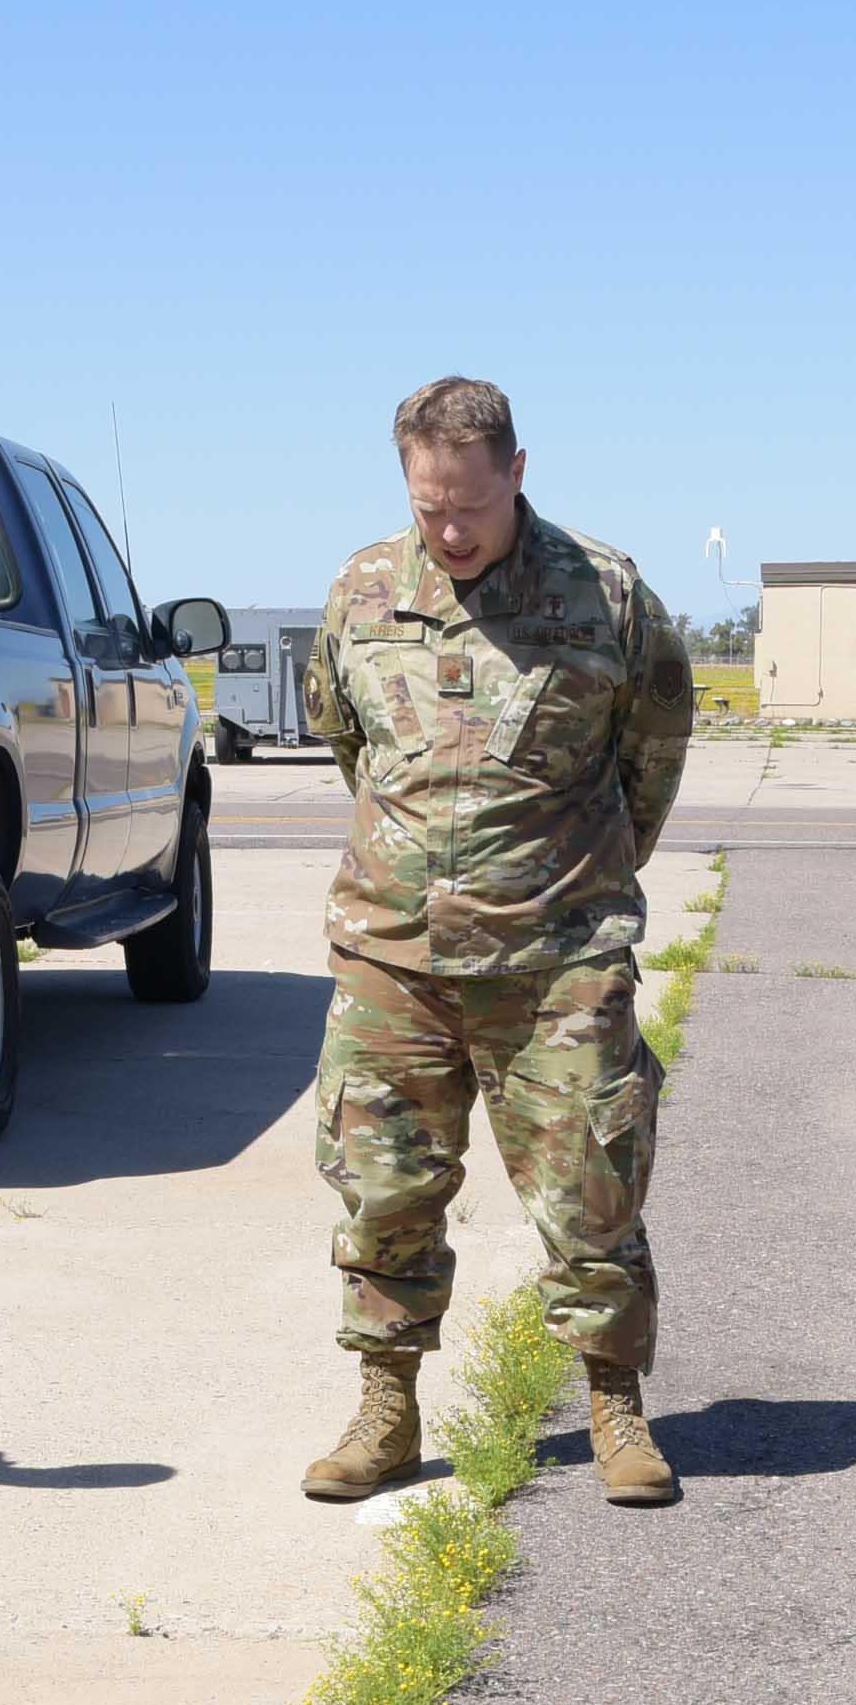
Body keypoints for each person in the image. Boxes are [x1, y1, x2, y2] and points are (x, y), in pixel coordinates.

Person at [296, 377, 700, 1510]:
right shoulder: (361, 590)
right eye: (431, 508)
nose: (453, 530)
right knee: (382, 1191)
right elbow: (349, 741)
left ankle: (615, 1404)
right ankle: (385, 1409)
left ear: (518, 471)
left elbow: (652, 752)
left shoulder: (605, 593)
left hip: (558, 952)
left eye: (471, 503)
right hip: (393, 955)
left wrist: (570, 878)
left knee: (594, 1187)